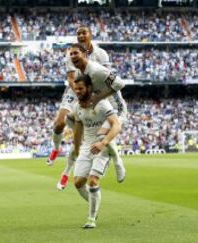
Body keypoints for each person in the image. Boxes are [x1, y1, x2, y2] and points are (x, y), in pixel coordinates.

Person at [47, 26, 122, 191]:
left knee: (84, 139)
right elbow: (71, 79)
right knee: (59, 124)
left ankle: (67, 173)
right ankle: (56, 148)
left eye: (84, 33)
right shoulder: (72, 53)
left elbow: (106, 78)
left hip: (94, 93)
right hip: (76, 91)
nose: (81, 35)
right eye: (78, 33)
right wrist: (81, 98)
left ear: (90, 35)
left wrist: (96, 98)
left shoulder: (101, 54)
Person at [72, 74, 121, 229]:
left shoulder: (102, 104)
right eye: (75, 88)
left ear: (89, 88)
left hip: (103, 145)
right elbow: (78, 128)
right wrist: (76, 148)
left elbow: (116, 125)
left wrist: (104, 142)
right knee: (78, 182)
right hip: (87, 147)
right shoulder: (77, 107)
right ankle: (94, 204)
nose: (77, 91)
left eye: (80, 88)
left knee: (93, 181)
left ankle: (91, 218)